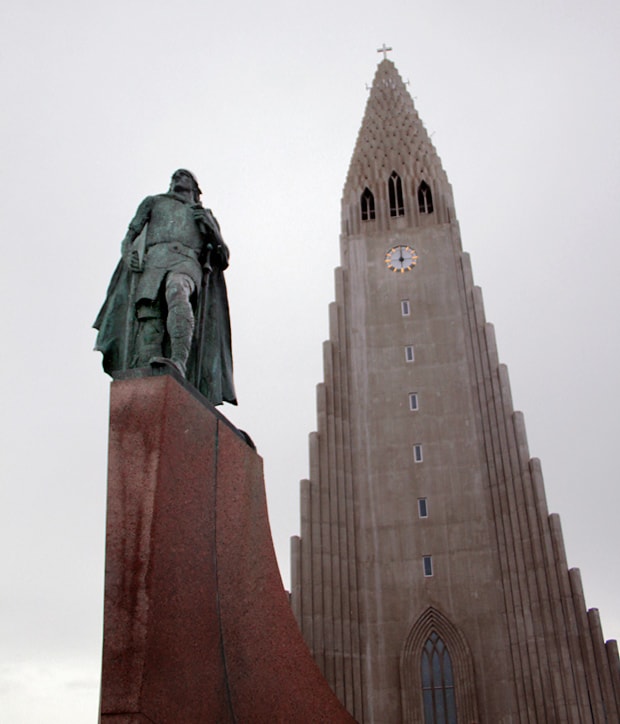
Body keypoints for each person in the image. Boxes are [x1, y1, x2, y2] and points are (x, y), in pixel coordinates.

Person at [94, 169, 237, 406]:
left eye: (185, 176)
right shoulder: (153, 202)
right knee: (150, 319)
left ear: (195, 188)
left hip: (186, 261)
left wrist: (211, 229)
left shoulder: (203, 214)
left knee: (177, 291)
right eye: (176, 176)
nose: (178, 177)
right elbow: (130, 235)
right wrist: (128, 252)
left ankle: (179, 361)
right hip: (154, 263)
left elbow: (223, 257)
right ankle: (149, 380)